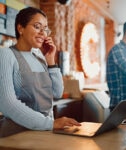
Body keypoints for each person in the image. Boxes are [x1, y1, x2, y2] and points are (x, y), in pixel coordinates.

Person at [0, 7, 80, 137]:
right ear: (21, 28)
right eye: (37, 27)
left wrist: (51, 60)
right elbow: (7, 104)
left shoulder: (40, 57)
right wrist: (50, 124)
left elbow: (57, 92)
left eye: (45, 29)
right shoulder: (6, 55)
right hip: (17, 135)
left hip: (42, 132)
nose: (43, 33)